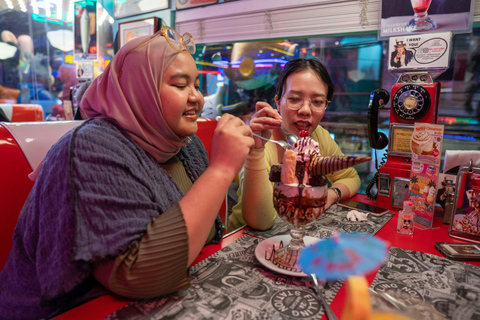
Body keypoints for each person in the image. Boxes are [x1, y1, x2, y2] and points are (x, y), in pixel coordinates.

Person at [0, 27, 254, 319]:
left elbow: (206, 236)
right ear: (139, 88)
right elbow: (139, 276)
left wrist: (254, 153)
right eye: (181, 85)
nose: (196, 97)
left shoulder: (185, 144)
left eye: (196, 85)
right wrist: (221, 170)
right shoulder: (90, 147)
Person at [227, 58, 360, 232]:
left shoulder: (319, 136)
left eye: (318, 102)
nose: (305, 110)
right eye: (295, 99)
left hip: (296, 232)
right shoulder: (262, 140)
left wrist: (331, 195)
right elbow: (261, 221)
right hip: (243, 240)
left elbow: (351, 177)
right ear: (278, 102)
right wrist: (256, 151)